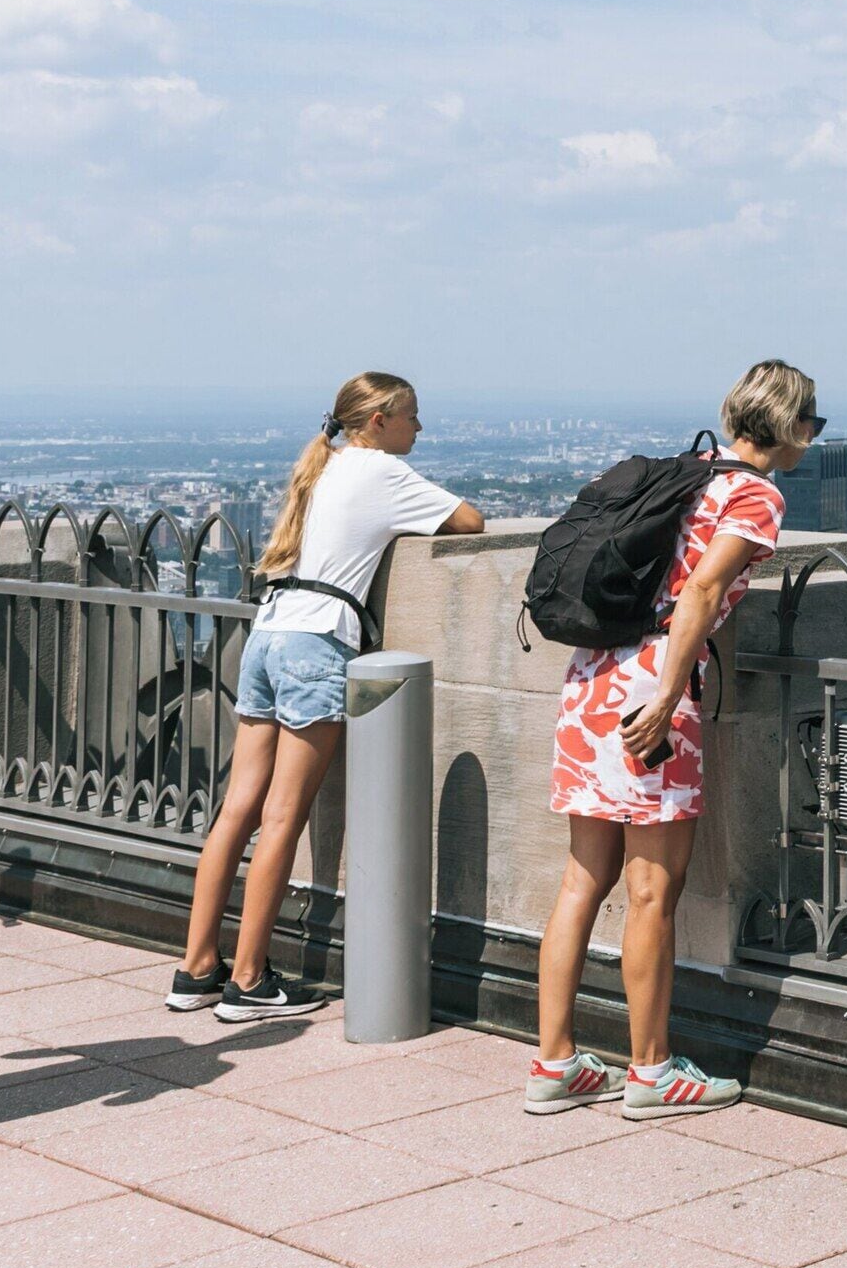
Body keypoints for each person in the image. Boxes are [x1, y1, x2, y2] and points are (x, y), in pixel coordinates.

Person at [529, 360, 813, 1119]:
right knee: (653, 892)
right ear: (787, 428)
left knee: (582, 879)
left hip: (591, 676)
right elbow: (704, 592)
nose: (812, 438)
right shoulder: (755, 494)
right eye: (810, 424)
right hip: (651, 684)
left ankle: (554, 1062)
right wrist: (664, 697)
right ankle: (651, 1071)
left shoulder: (687, 475)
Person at [171, 372, 483, 1020]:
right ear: (377, 421)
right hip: (317, 642)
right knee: (285, 816)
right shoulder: (380, 471)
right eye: (412, 417)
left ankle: (196, 967)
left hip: (270, 631)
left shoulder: (325, 467)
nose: (419, 429)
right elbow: (471, 522)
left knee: (239, 810)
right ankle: (251, 980)